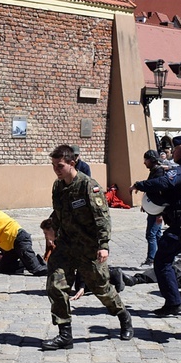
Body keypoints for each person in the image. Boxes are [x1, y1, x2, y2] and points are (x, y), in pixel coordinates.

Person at [41, 144, 133, 350]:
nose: (56, 169)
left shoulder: (88, 186)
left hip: (88, 247)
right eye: (54, 165)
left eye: (60, 165)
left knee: (101, 288)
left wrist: (103, 245)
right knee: (56, 285)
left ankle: (124, 317)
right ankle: (65, 334)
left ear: (72, 163)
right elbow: (58, 213)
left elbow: (102, 217)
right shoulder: (58, 186)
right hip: (66, 245)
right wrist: (50, 230)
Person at [130, 135, 181, 317]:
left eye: (175, 149)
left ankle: (173, 302)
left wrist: (139, 185)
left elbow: (165, 182)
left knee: (162, 260)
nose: (172, 153)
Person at [0, 194, 47, 276]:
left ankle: (39, 263)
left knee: (37, 270)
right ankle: (27, 262)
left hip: (19, 239)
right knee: (4, 268)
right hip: (12, 246)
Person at [141, 149, 164, 267]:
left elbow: (160, 194)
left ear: (151, 160)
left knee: (151, 234)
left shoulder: (159, 173)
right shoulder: (154, 171)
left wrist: (160, 213)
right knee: (157, 234)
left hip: (157, 209)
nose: (144, 162)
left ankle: (151, 259)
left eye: (146, 160)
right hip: (152, 208)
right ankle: (163, 256)